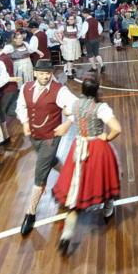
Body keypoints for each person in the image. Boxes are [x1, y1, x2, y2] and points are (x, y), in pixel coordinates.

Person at [53, 78, 122, 255]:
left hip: (79, 146)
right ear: (97, 90)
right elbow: (116, 128)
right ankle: (108, 209)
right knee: (104, 178)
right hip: (96, 148)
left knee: (75, 187)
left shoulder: (75, 104)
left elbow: (68, 112)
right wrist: (106, 137)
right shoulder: (101, 108)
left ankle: (66, 235)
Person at [16, 59, 78, 236]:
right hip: (34, 136)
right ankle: (72, 174)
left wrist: (67, 125)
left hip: (51, 136)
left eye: (48, 73)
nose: (45, 77)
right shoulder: (26, 88)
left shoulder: (60, 90)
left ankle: (30, 213)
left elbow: (77, 107)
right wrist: (25, 122)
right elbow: (21, 106)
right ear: (35, 73)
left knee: (40, 173)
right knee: (50, 162)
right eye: (41, 73)